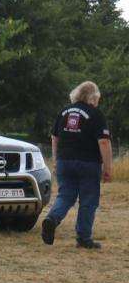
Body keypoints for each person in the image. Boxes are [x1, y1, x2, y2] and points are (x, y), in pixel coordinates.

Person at [41, 81, 112, 249]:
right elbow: (103, 142)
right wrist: (108, 168)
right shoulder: (96, 114)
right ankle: (83, 238)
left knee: (65, 195)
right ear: (93, 98)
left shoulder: (64, 112)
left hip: (65, 161)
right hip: (88, 163)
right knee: (88, 200)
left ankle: (52, 219)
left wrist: (56, 160)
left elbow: (55, 138)